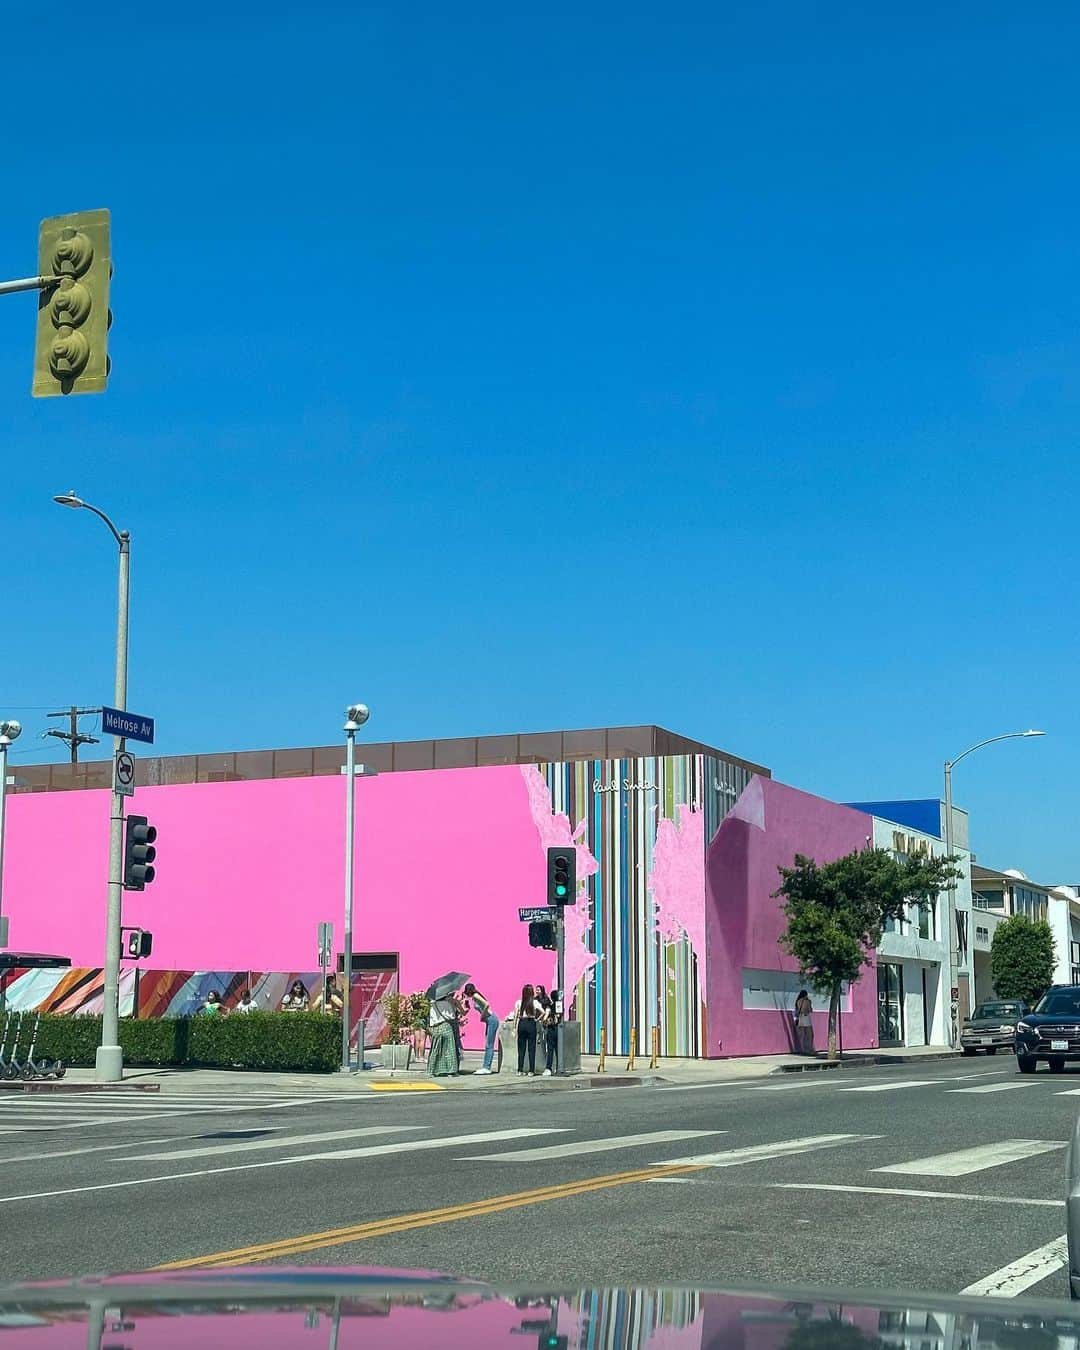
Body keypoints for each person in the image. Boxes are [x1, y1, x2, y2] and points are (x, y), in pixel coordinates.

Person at [463, 982, 500, 1075]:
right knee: (488, 1043)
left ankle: (487, 1067)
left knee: (489, 1044)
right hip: (489, 1020)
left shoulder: (475, 995)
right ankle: (486, 1066)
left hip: (491, 1019)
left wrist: (482, 1015)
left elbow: (487, 1004)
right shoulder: (474, 997)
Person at [513, 983, 542, 1076]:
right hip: (531, 1023)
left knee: (521, 1049)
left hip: (522, 1023)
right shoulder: (535, 1002)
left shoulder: (518, 1002)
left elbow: (515, 1016)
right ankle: (531, 1070)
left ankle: (520, 1070)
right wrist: (537, 1019)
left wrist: (514, 1027)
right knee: (531, 1048)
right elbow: (543, 1012)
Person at [427, 994, 459, 1076]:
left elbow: (431, 1017)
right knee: (449, 1049)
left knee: (436, 1048)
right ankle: (451, 1070)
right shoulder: (447, 1003)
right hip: (446, 1026)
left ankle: (432, 1070)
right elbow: (452, 1016)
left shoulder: (432, 1004)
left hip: (436, 1027)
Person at [541, 988, 561, 1077]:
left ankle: (549, 1068)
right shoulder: (560, 1006)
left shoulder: (550, 1007)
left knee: (550, 1050)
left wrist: (544, 1022)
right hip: (559, 1029)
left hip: (551, 1029)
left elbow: (545, 1018)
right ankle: (559, 1067)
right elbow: (559, 1016)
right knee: (558, 1050)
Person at [794, 989, 815, 1055]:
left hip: (800, 1018)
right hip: (806, 1017)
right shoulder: (808, 1001)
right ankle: (810, 1049)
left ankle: (802, 1049)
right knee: (810, 1034)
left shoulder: (798, 1001)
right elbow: (809, 1010)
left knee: (802, 1035)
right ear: (806, 994)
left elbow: (797, 1010)